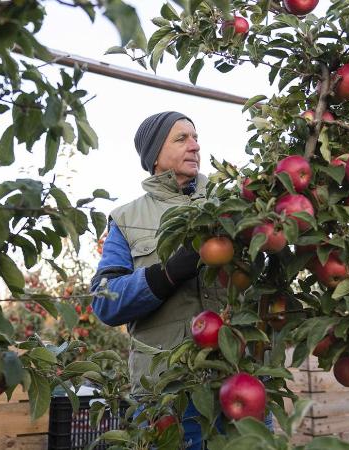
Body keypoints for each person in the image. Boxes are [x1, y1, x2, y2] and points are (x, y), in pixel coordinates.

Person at [90, 111, 226, 449]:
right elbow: (105, 302)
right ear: (153, 155)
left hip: (238, 379)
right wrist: (167, 274)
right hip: (167, 393)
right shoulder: (126, 219)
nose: (195, 146)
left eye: (196, 138)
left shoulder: (227, 204)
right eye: (181, 138)